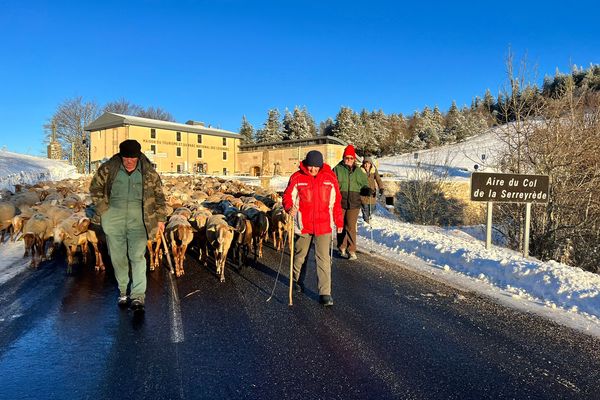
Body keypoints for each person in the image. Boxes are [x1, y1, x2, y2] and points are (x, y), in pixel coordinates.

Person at [89, 139, 167, 312]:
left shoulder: (149, 172)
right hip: (113, 217)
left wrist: (161, 218)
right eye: (126, 158)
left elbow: (160, 196)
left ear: (138, 156)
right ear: (121, 155)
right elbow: (95, 188)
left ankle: (138, 295)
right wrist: (104, 210)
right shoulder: (109, 169)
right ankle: (123, 290)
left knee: (137, 256)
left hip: (139, 218)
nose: (129, 161)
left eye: (133, 158)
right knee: (117, 257)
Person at [283, 150, 343, 307]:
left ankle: (325, 293)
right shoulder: (297, 177)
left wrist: (339, 221)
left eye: (316, 167)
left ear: (321, 165)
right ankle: (296, 281)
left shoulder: (330, 178)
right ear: (306, 164)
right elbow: (287, 196)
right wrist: (289, 207)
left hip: (324, 225)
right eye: (310, 167)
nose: (313, 170)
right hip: (303, 225)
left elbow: (336, 202)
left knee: (323, 259)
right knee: (300, 256)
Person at [333, 144, 369, 261]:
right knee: (340, 226)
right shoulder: (337, 169)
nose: (349, 160)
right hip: (340, 202)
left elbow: (364, 184)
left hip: (354, 203)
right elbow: (332, 184)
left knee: (351, 227)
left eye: (351, 158)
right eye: (346, 158)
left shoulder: (359, 172)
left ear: (354, 159)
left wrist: (366, 190)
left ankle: (352, 250)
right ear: (343, 158)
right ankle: (341, 247)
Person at [360, 156, 385, 223]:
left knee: (372, 208)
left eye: (368, 163)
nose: (366, 165)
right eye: (365, 163)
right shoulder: (360, 170)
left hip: (372, 193)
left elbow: (378, 179)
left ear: (371, 164)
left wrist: (381, 188)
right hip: (363, 194)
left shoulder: (374, 170)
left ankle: (368, 219)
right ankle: (366, 223)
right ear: (363, 164)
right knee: (365, 209)